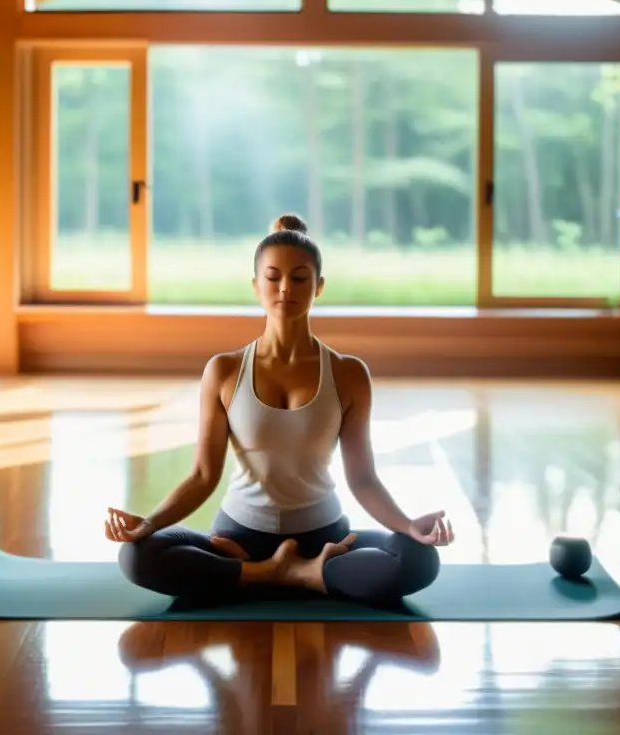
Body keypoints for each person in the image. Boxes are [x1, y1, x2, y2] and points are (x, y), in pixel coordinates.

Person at [103, 214, 454, 607]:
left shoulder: (349, 373)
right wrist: (149, 524)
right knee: (136, 555)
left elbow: (363, 478)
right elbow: (202, 475)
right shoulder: (224, 370)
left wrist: (409, 526)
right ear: (256, 287)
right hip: (236, 540)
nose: (286, 288)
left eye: (300, 278)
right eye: (273, 277)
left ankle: (287, 573)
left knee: (420, 560)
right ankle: (277, 574)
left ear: (318, 287)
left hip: (324, 539)